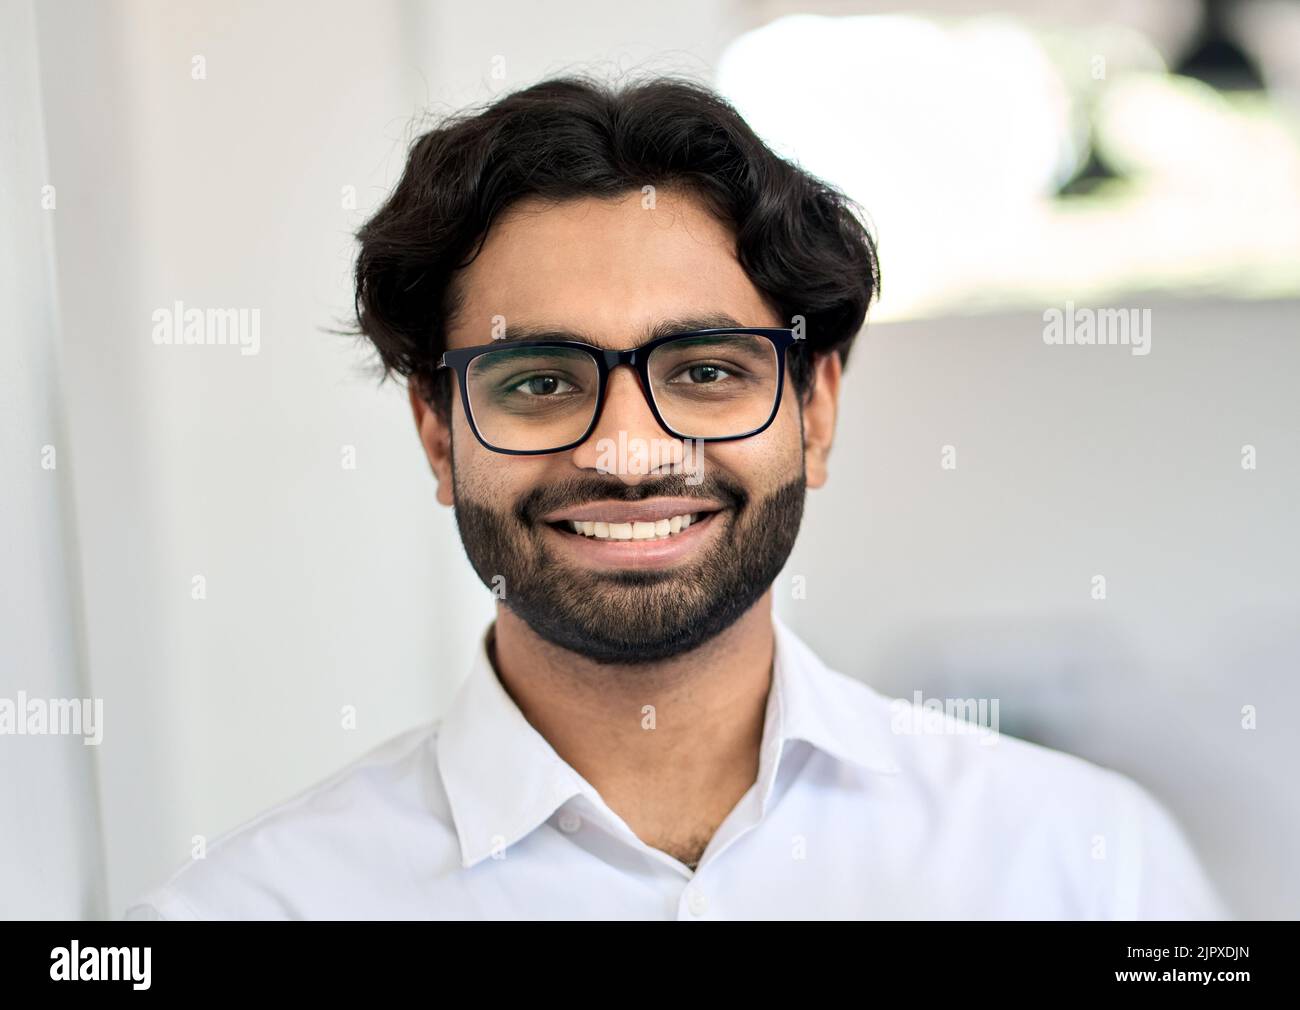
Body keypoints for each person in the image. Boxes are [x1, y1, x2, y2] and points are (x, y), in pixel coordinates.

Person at [125, 74, 1225, 920]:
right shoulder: (258, 910)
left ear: (818, 410)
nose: (632, 451)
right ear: (436, 431)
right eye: (540, 380)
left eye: (704, 371)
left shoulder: (1089, 864)